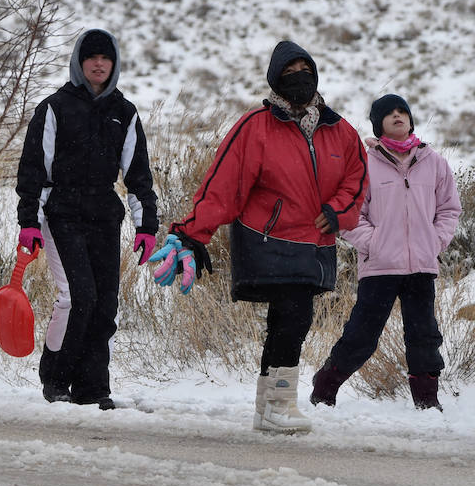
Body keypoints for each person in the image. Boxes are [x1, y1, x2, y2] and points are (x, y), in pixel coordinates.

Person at [148, 41, 368, 433]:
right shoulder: (255, 127)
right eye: (289, 70)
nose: (299, 75)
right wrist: (191, 233)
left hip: (316, 244)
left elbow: (357, 179)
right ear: (275, 81)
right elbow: (223, 186)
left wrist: (337, 211)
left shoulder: (340, 130)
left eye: (305, 67)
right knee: (293, 315)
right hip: (268, 239)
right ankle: (279, 405)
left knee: (289, 320)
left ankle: (269, 406)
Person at [15, 28, 158, 410]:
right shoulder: (54, 108)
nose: (99, 63)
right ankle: (56, 378)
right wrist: (29, 220)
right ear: (80, 63)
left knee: (105, 303)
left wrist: (147, 226)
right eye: (91, 57)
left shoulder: (124, 114)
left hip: (103, 216)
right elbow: (32, 168)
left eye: (105, 58)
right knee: (77, 297)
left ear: (114, 65)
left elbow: (138, 174)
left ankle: (93, 387)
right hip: (60, 214)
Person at [310, 94, 462, 412]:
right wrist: (374, 243)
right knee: (362, 335)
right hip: (379, 265)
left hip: (421, 265)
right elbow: (350, 214)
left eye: (402, 111)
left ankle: (427, 402)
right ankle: (324, 389)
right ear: (378, 124)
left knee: (424, 336)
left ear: (410, 120)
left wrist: (435, 241)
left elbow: (449, 209)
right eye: (389, 113)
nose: (397, 115)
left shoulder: (434, 162)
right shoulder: (362, 165)